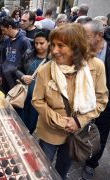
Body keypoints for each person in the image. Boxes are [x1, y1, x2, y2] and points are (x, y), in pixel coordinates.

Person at [31, 23, 108, 180]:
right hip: (50, 132)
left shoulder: (96, 67)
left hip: (77, 134)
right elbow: (37, 100)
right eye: (52, 45)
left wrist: (79, 122)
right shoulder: (46, 70)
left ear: (76, 46)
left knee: (63, 168)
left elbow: (101, 101)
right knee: (42, 167)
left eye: (61, 45)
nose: (54, 50)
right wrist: (62, 122)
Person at [82, 20, 110, 180]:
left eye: (86, 36)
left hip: (106, 103)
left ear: (99, 36)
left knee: (101, 132)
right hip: (83, 102)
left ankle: (91, 164)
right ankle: (79, 150)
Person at [15, 29, 50, 134]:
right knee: (20, 123)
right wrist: (23, 76)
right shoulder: (29, 53)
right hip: (25, 95)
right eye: (36, 43)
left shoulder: (53, 59)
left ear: (49, 43)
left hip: (41, 98)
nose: (38, 46)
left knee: (33, 124)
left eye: (42, 43)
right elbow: (17, 69)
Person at [0, 16, 31, 94]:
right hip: (5, 77)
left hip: (17, 81)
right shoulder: (6, 40)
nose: (3, 33)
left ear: (9, 27)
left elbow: (28, 62)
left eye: (3, 30)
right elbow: (2, 58)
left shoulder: (24, 41)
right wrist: (0, 74)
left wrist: (23, 78)